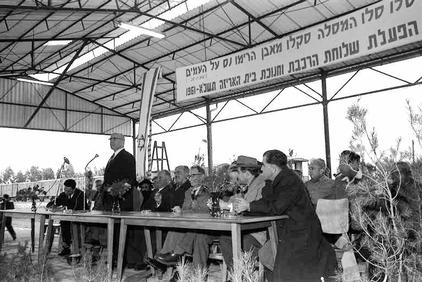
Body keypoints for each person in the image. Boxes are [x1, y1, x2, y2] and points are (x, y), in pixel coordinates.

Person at [234, 150, 337, 282]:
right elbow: (266, 203)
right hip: (288, 231)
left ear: (273, 168)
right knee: (268, 255)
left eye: (264, 165)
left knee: (278, 263)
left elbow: (276, 207)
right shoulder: (274, 181)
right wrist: (248, 206)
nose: (261, 168)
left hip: (303, 234)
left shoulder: (289, 181)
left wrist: (249, 207)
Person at [153, 165, 212, 269]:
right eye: (190, 176)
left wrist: (187, 210)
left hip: (207, 226)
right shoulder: (188, 192)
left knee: (193, 231)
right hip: (192, 224)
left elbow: (206, 210)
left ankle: (176, 255)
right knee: (175, 228)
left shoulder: (207, 190)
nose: (191, 178)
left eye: (194, 175)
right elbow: (186, 208)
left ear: (202, 176)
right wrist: (181, 210)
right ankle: (165, 255)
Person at [218, 156, 266, 270]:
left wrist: (228, 206)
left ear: (247, 173)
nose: (237, 176)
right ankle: (236, 274)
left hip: (258, 235)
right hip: (247, 230)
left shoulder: (262, 184)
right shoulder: (250, 185)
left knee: (232, 241)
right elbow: (239, 201)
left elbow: (255, 207)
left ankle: (240, 274)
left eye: (239, 172)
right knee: (225, 238)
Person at [47, 179, 87, 256]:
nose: (66, 192)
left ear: (74, 189)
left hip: (79, 218)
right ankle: (66, 248)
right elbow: (53, 203)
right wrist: (52, 205)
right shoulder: (63, 194)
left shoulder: (81, 194)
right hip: (67, 218)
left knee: (73, 225)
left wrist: (67, 207)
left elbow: (81, 208)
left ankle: (78, 249)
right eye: (65, 189)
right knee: (64, 222)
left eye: (68, 191)